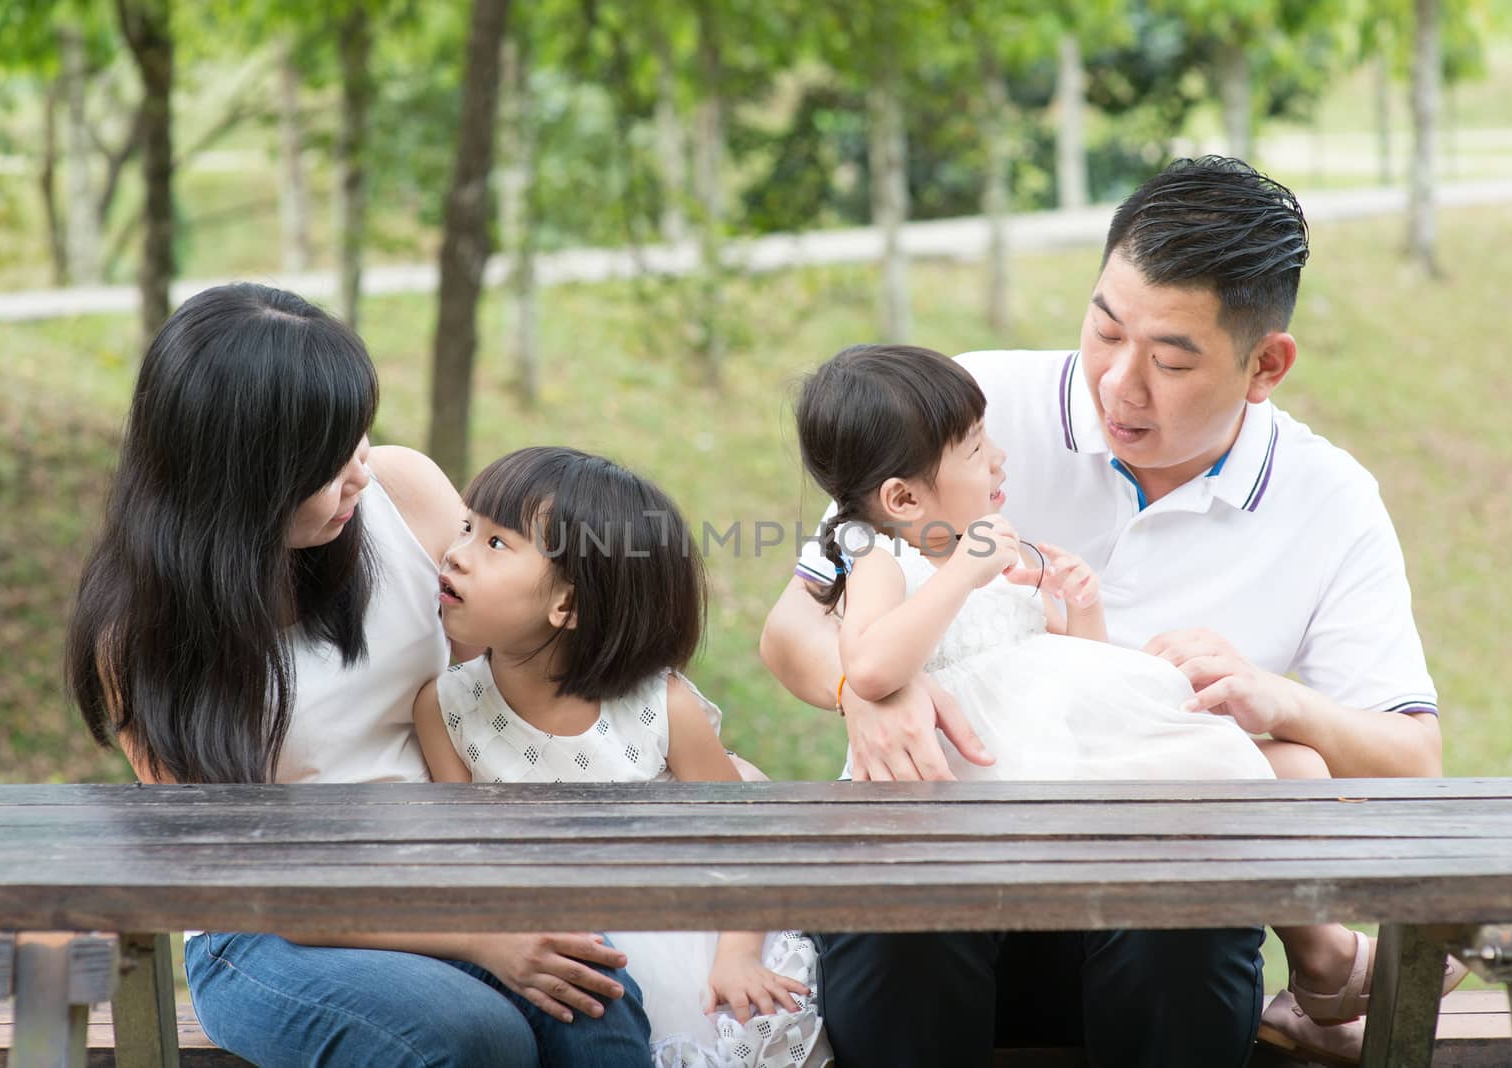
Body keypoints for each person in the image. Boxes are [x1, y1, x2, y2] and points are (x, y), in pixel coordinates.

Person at [759, 158, 1445, 1068]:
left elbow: (1413, 761)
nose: (1119, 384)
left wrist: (1274, 701)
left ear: (1265, 366)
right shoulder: (967, 409)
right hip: (950, 889)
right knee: (908, 914)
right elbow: (791, 626)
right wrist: (867, 688)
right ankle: (1325, 962)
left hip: (1156, 936)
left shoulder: (1331, 502)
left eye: (1170, 359)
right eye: (1104, 328)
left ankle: (1312, 960)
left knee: (1181, 899)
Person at [67, 284, 648, 1068]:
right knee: (465, 1034)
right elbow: (246, 881)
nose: (360, 474)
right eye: (327, 461)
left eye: (360, 436)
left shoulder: (405, 494)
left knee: (595, 997)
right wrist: (481, 938)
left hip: (451, 866)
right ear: (243, 477)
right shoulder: (142, 635)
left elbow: (524, 678)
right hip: (271, 929)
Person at [413, 445, 829, 1068]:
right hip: (564, 956)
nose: (455, 552)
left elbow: (746, 838)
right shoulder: (445, 708)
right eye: (468, 526)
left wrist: (739, 953)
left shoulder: (660, 705)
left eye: (496, 544)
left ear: (568, 606)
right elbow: (467, 863)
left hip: (690, 937)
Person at [793, 342, 1275, 784]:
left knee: (1223, 757)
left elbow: (1084, 675)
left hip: (1059, 752)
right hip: (980, 776)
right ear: (903, 498)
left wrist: (1084, 608)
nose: (999, 458)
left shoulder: (998, 554)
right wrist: (962, 574)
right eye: (976, 449)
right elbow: (870, 670)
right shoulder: (885, 560)